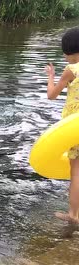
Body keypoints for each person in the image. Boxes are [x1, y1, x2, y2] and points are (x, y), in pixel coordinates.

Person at [46, 26, 79, 224]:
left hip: (74, 129)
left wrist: (50, 75)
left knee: (76, 172)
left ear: (67, 52)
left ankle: (74, 215)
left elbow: (52, 95)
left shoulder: (71, 70)